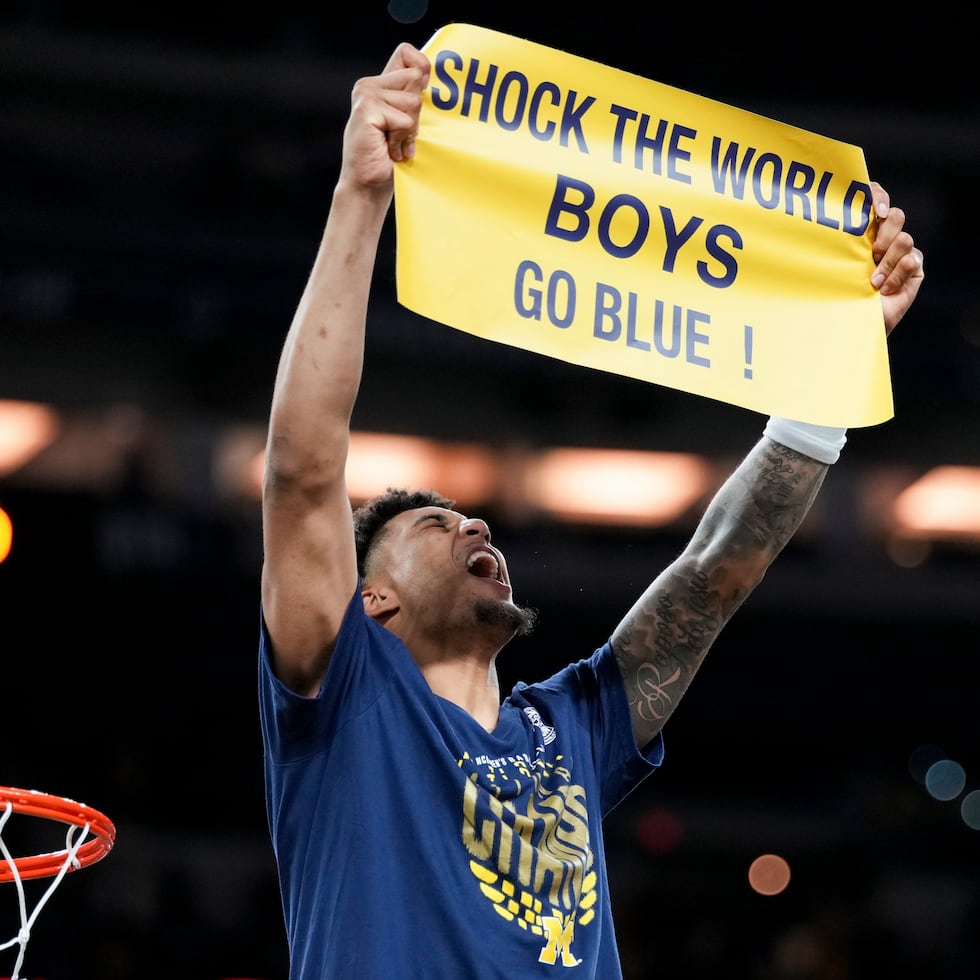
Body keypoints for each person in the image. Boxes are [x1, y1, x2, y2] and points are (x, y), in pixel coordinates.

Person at [257, 41, 925, 980]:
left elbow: (715, 573)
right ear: (373, 603)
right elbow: (302, 467)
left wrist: (834, 366)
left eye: (467, 519)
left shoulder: (569, 727)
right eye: (433, 527)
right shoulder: (346, 687)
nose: (474, 525)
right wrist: (360, 197)